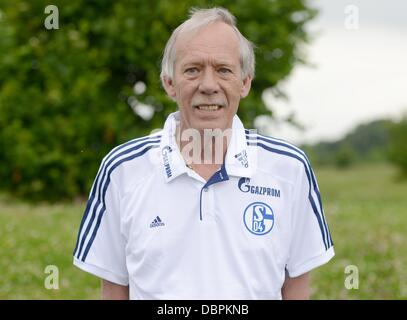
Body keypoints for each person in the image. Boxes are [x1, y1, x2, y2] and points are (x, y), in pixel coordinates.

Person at [73, 7, 334, 300]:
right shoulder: (121, 169)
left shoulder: (290, 169)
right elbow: (114, 289)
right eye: (192, 70)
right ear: (169, 83)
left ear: (244, 82)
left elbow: (297, 286)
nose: (208, 86)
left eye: (223, 70)